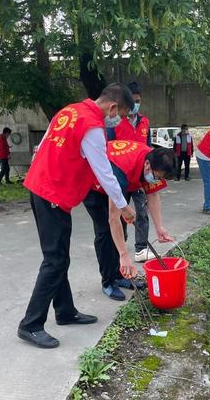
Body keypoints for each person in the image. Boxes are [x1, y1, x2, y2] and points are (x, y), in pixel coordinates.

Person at [17, 83, 136, 349]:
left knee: (59, 256)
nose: (118, 121)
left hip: (42, 187)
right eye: (122, 115)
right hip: (52, 193)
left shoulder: (69, 111)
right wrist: (124, 206)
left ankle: (65, 311)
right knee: (55, 259)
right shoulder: (92, 125)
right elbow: (103, 170)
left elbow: (44, 146)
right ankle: (31, 324)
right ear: (113, 107)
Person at [84, 141, 176, 300]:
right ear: (147, 165)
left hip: (121, 183)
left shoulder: (154, 160)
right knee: (105, 231)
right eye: (156, 177)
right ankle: (108, 281)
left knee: (123, 225)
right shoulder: (120, 172)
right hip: (93, 185)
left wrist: (160, 227)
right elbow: (113, 218)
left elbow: (152, 194)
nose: (155, 180)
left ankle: (119, 275)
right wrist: (124, 255)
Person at [107, 81, 153, 263]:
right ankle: (121, 247)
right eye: (132, 101)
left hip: (140, 176)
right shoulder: (114, 122)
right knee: (120, 212)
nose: (136, 104)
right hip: (121, 176)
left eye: (138, 100)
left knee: (142, 210)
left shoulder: (144, 121)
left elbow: (148, 148)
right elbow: (108, 149)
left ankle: (141, 248)